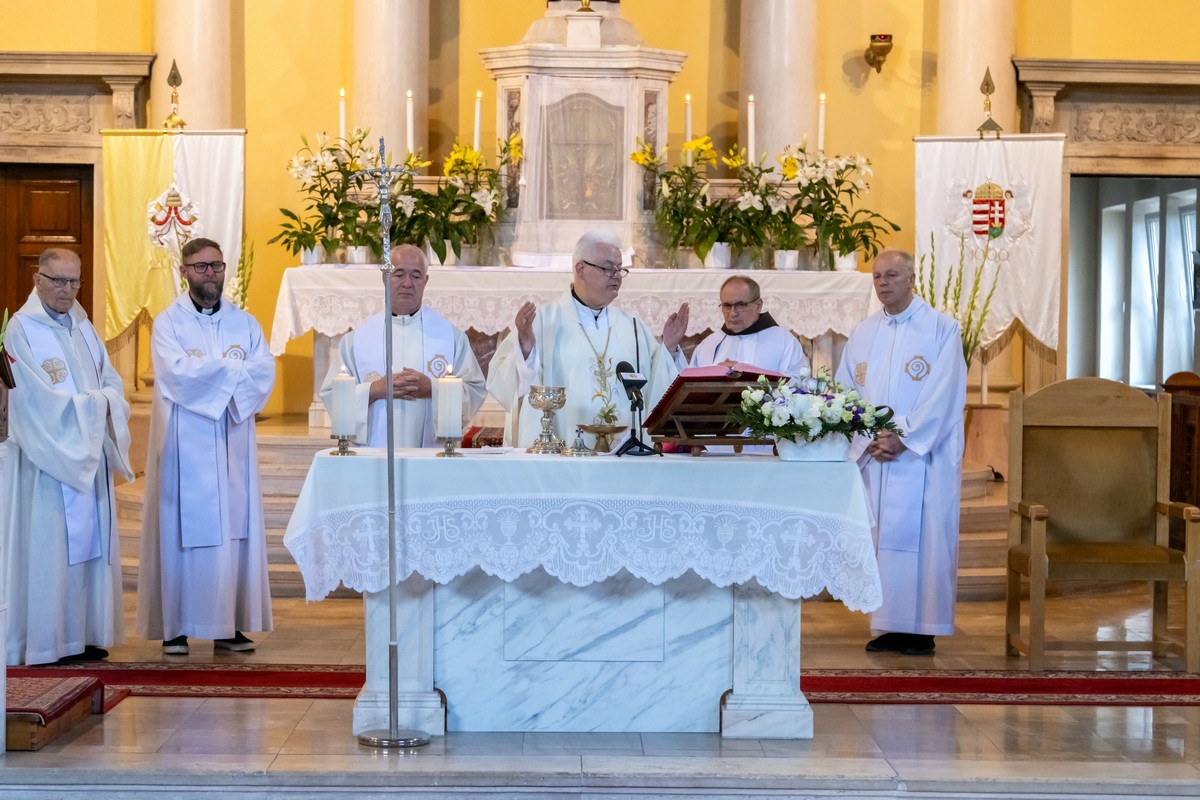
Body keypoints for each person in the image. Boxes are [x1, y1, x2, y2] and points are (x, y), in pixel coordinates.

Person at [136, 237, 276, 655]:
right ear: (184, 272)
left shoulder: (245, 324)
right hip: (184, 444)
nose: (210, 273)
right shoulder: (168, 324)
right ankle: (176, 627)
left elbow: (263, 371)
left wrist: (215, 374)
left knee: (232, 533)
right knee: (179, 533)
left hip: (232, 441)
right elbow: (177, 374)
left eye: (216, 265)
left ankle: (227, 626)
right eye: (201, 267)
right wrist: (233, 372)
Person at [3, 248, 134, 665]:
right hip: (49, 458)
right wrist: (94, 407)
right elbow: (32, 400)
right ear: (38, 280)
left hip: (87, 454)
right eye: (58, 280)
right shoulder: (22, 330)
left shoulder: (82, 324)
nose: (67, 290)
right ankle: (49, 642)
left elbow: (111, 381)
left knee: (90, 550)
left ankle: (82, 636)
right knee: (51, 549)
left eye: (74, 281)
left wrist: (105, 402)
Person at [835, 249, 967, 656]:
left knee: (926, 537)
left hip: (922, 455)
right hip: (877, 455)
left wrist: (903, 437)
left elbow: (945, 393)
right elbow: (845, 392)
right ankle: (889, 625)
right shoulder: (863, 333)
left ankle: (923, 628)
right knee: (882, 539)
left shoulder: (941, 329)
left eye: (892, 275)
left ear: (912, 279)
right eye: (877, 276)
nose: (883, 283)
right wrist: (868, 437)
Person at [488, 231, 688, 448]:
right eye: (608, 268)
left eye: (619, 268)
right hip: (563, 457)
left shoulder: (632, 326)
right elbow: (502, 384)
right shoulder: (543, 323)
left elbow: (658, 385)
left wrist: (669, 347)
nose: (617, 276)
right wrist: (525, 349)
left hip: (623, 457)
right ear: (580, 269)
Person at [318, 244, 486, 447]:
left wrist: (432, 389)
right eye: (399, 274)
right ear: (385, 277)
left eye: (416, 276)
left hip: (433, 457)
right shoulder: (356, 340)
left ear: (425, 281)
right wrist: (374, 390)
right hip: (374, 457)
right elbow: (332, 394)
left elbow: (474, 390)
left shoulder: (451, 337)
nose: (407, 283)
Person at [677, 275, 809, 376]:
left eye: (740, 305)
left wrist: (745, 375)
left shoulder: (784, 341)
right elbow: (689, 384)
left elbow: (798, 383)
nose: (733, 313)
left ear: (758, 305)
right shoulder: (709, 344)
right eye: (727, 306)